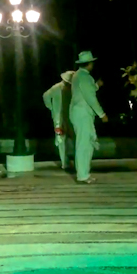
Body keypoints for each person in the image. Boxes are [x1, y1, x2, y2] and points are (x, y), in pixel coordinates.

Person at [69, 51, 108, 184]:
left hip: (80, 113)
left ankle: (85, 173)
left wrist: (96, 85)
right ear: (89, 64)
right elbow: (90, 97)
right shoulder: (84, 77)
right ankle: (82, 174)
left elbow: (87, 91)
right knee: (84, 144)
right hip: (82, 113)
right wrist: (101, 114)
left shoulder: (79, 75)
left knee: (86, 143)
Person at [43, 71, 75, 170]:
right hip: (59, 117)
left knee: (73, 138)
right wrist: (51, 107)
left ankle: (72, 160)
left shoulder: (72, 89)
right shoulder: (56, 88)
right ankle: (64, 162)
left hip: (70, 116)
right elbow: (45, 96)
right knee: (61, 139)